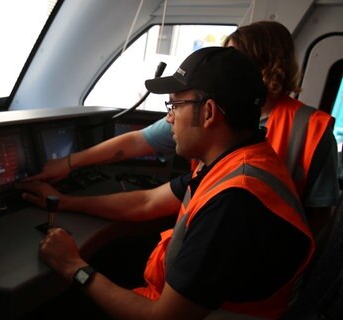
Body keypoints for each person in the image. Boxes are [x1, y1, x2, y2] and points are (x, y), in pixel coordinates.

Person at [19, 47, 315, 319]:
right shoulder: (236, 161)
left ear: (209, 112)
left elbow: (162, 318)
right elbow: (146, 201)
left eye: (175, 106)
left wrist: (73, 266)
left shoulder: (235, 201)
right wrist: (62, 202)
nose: (170, 118)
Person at [25, 20, 338, 239]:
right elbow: (136, 144)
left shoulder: (309, 130)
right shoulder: (209, 130)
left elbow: (318, 217)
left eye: (232, 57)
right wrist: (68, 163)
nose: (173, 117)